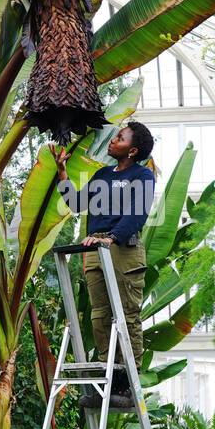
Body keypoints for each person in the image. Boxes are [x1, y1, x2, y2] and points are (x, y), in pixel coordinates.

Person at [51, 121, 155, 408]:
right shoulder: (102, 175)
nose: (113, 140)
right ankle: (104, 379)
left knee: (127, 315)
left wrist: (112, 238)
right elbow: (75, 203)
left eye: (119, 138)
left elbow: (138, 215)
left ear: (132, 150)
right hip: (94, 248)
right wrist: (62, 171)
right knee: (100, 315)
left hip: (122, 249)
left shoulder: (142, 176)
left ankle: (129, 384)